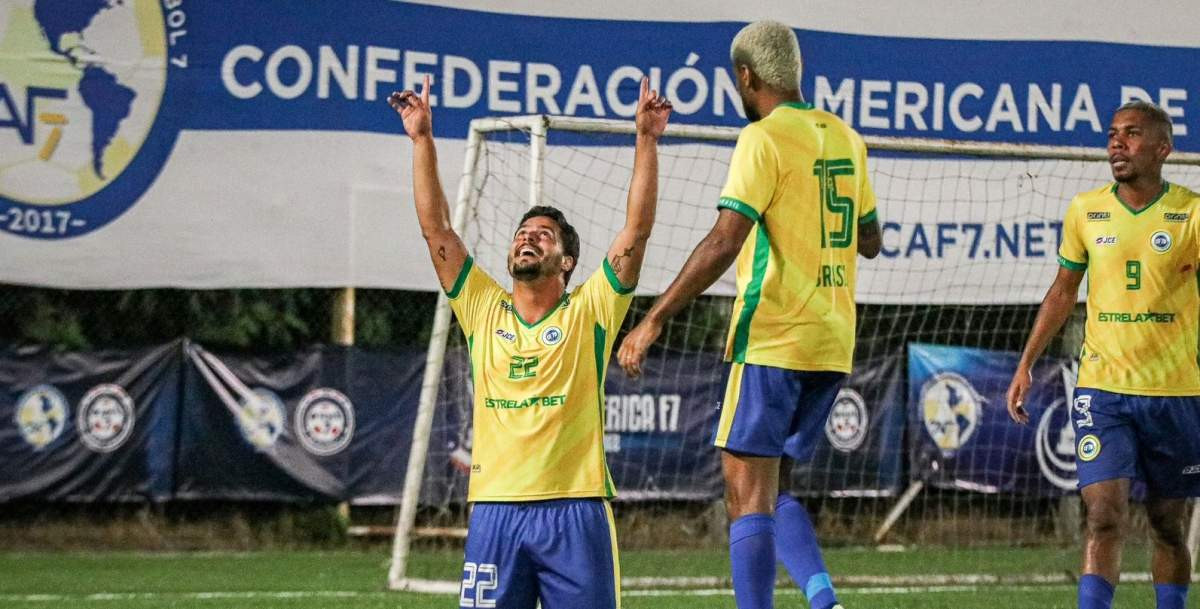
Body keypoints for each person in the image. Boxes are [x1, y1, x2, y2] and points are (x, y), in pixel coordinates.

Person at [617, 21, 880, 609]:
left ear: (746, 75)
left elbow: (725, 239)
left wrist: (655, 317)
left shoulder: (762, 138)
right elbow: (870, 240)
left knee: (744, 492)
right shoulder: (846, 137)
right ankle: (822, 597)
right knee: (768, 481)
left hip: (773, 335)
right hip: (832, 341)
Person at [389, 74, 670, 609]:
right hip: (496, 511)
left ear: (566, 262)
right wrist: (422, 140)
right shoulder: (480, 307)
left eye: (543, 234)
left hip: (576, 511)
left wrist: (646, 140)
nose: (527, 236)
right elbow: (438, 232)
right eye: (522, 232)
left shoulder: (591, 310)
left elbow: (635, 232)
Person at [1006, 100, 1199, 609]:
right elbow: (1063, 291)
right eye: (1113, 133)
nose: (1117, 143)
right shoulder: (1086, 210)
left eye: (1132, 134)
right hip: (1103, 389)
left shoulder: (1191, 212)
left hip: (1175, 393)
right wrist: (1025, 363)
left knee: (1167, 525)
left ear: (1163, 148)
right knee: (1104, 514)